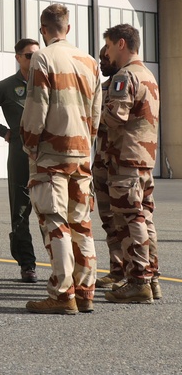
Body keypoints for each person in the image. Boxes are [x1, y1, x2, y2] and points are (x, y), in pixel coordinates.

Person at [20, 4, 101, 315]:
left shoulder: (42, 56)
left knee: (55, 222)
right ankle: (85, 292)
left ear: (43, 29)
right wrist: (85, 143)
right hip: (81, 152)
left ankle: (62, 294)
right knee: (81, 223)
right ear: (68, 28)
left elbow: (36, 107)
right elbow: (96, 113)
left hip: (52, 154)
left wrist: (30, 145)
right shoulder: (89, 61)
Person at [101, 23, 161, 304]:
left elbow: (115, 117)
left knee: (130, 217)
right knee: (144, 216)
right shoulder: (148, 74)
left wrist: (90, 112)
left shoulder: (124, 76)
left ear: (121, 44)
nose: (109, 52)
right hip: (144, 159)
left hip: (126, 158)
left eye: (110, 46)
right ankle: (152, 278)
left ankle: (138, 282)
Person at [0, 38, 40, 283]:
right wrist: (3, 131)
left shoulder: (51, 83)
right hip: (20, 155)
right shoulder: (6, 87)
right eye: (28, 55)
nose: (33, 60)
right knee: (21, 212)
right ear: (18, 58)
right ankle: (27, 264)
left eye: (37, 55)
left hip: (48, 154)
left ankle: (61, 266)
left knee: (53, 210)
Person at [93, 45, 123, 289]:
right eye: (100, 59)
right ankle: (117, 269)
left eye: (105, 58)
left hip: (122, 162)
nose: (102, 63)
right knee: (108, 218)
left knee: (128, 219)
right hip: (101, 161)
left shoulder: (127, 83)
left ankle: (140, 273)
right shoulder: (103, 88)